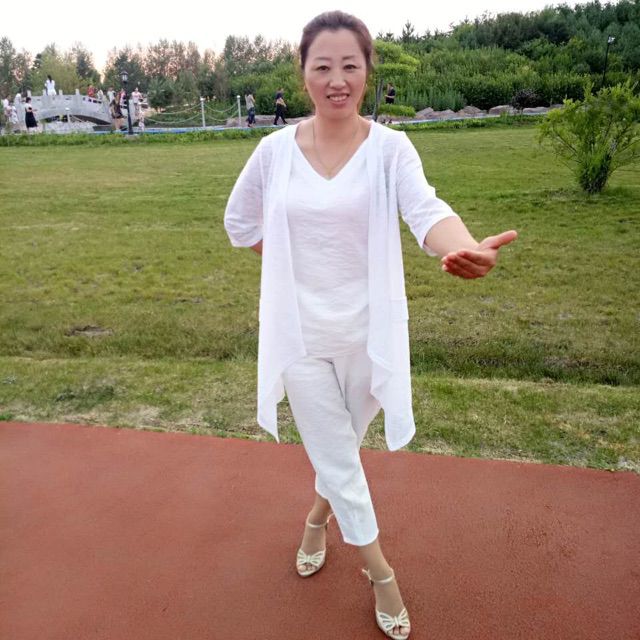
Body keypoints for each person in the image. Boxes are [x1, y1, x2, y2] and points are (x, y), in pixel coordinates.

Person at [224, 11, 517, 640]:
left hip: (367, 334)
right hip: (300, 338)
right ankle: (382, 576)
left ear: (366, 72)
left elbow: (426, 211)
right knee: (341, 460)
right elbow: (240, 223)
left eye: (349, 66)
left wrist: (464, 247)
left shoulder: (390, 149)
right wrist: (290, 268)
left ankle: (315, 518)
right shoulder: (273, 152)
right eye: (323, 66)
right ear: (303, 74)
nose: (337, 79)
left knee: (341, 451)